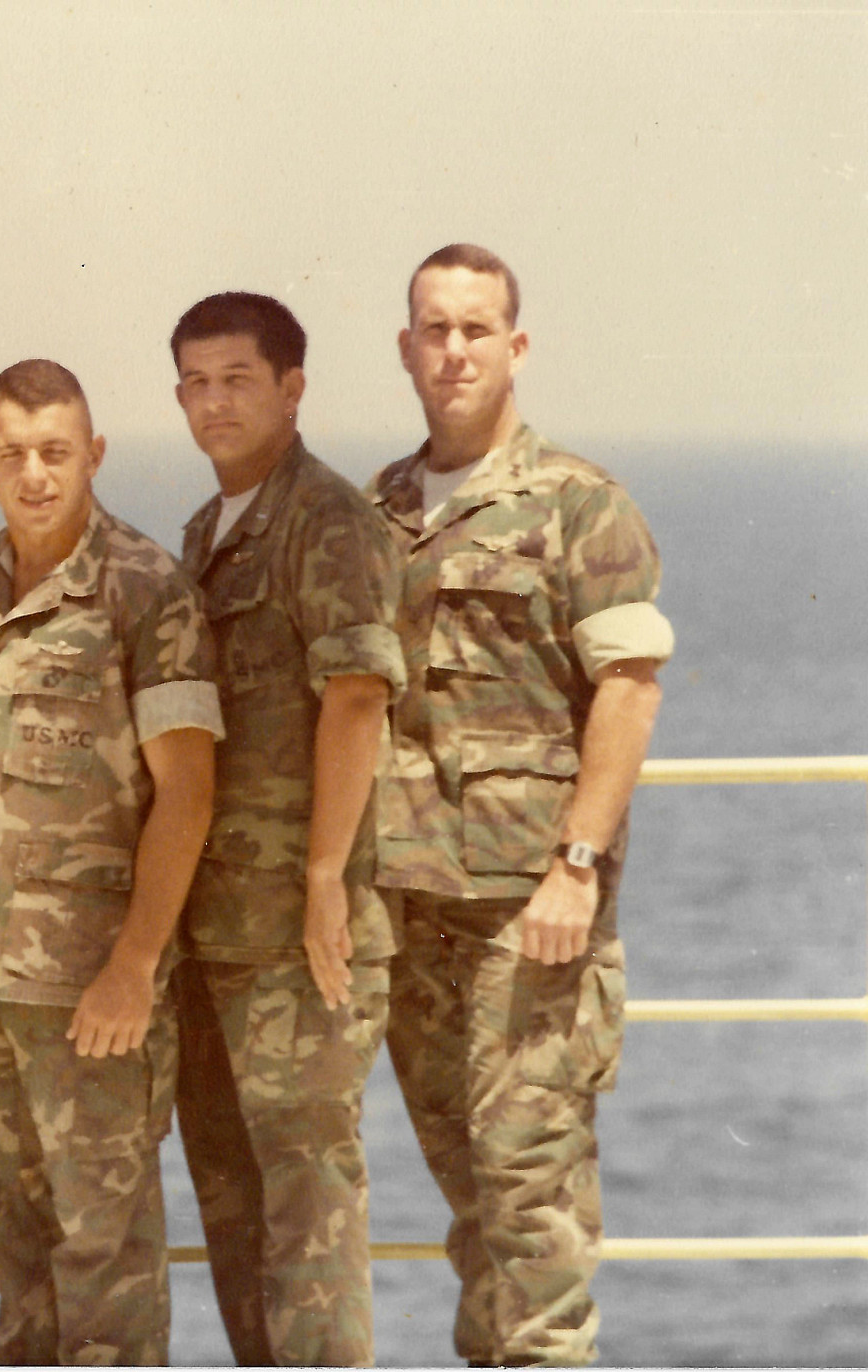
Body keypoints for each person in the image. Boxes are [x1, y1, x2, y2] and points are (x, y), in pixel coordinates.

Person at [366, 244, 673, 1366]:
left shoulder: (578, 504)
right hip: (407, 916)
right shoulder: (380, 509)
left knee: (532, 1216)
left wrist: (574, 866)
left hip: (527, 922)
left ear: (514, 346)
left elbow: (627, 692)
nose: (453, 350)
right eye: (433, 330)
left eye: (475, 329)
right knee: (473, 1215)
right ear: (405, 348)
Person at [0, 359, 219, 1365]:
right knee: (15, 1263)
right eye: (12, 454)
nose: (35, 475)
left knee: (106, 1268)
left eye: (55, 452)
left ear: (91, 453)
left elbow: (185, 789)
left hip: (89, 994)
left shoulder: (144, 592)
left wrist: (134, 965)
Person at [168, 292, 408, 1366]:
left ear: (290, 388)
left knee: (307, 1206)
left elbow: (355, 695)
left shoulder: (326, 521)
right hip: (213, 932)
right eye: (194, 382)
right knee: (231, 1201)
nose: (212, 402)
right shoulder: (206, 529)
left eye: (236, 380)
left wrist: (322, 877)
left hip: (296, 940)